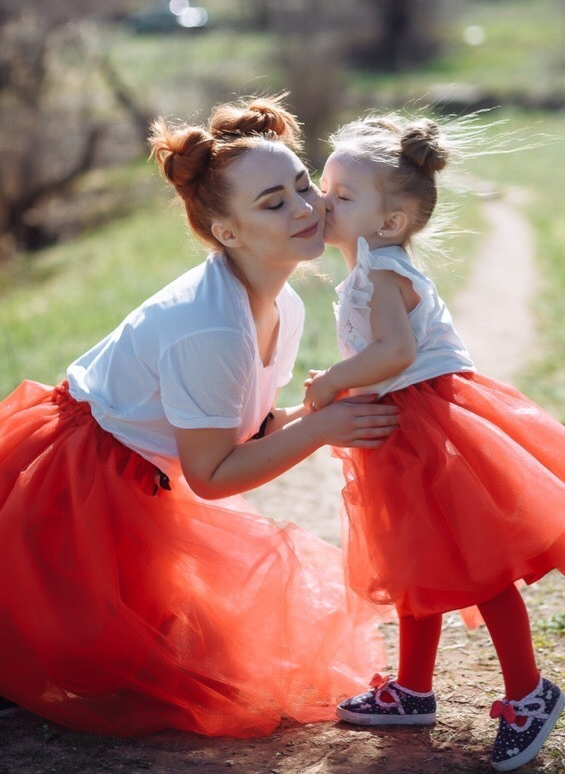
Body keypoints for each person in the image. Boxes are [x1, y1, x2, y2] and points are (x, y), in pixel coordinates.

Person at [0, 96, 399, 738]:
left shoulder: (281, 301)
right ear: (227, 232)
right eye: (274, 203)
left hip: (134, 473)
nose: (305, 208)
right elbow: (212, 475)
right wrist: (320, 429)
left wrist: (319, 409)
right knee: (92, 664)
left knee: (195, 646)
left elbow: (249, 425)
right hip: (75, 485)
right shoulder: (211, 326)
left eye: (304, 185)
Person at [303, 112, 565, 772]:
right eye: (323, 185)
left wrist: (332, 383)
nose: (321, 202)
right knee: (415, 566)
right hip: (404, 429)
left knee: (477, 569)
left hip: (427, 429)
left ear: (390, 220)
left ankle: (529, 692)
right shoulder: (372, 266)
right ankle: (413, 690)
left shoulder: (380, 275)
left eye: (341, 196)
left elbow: (394, 351)